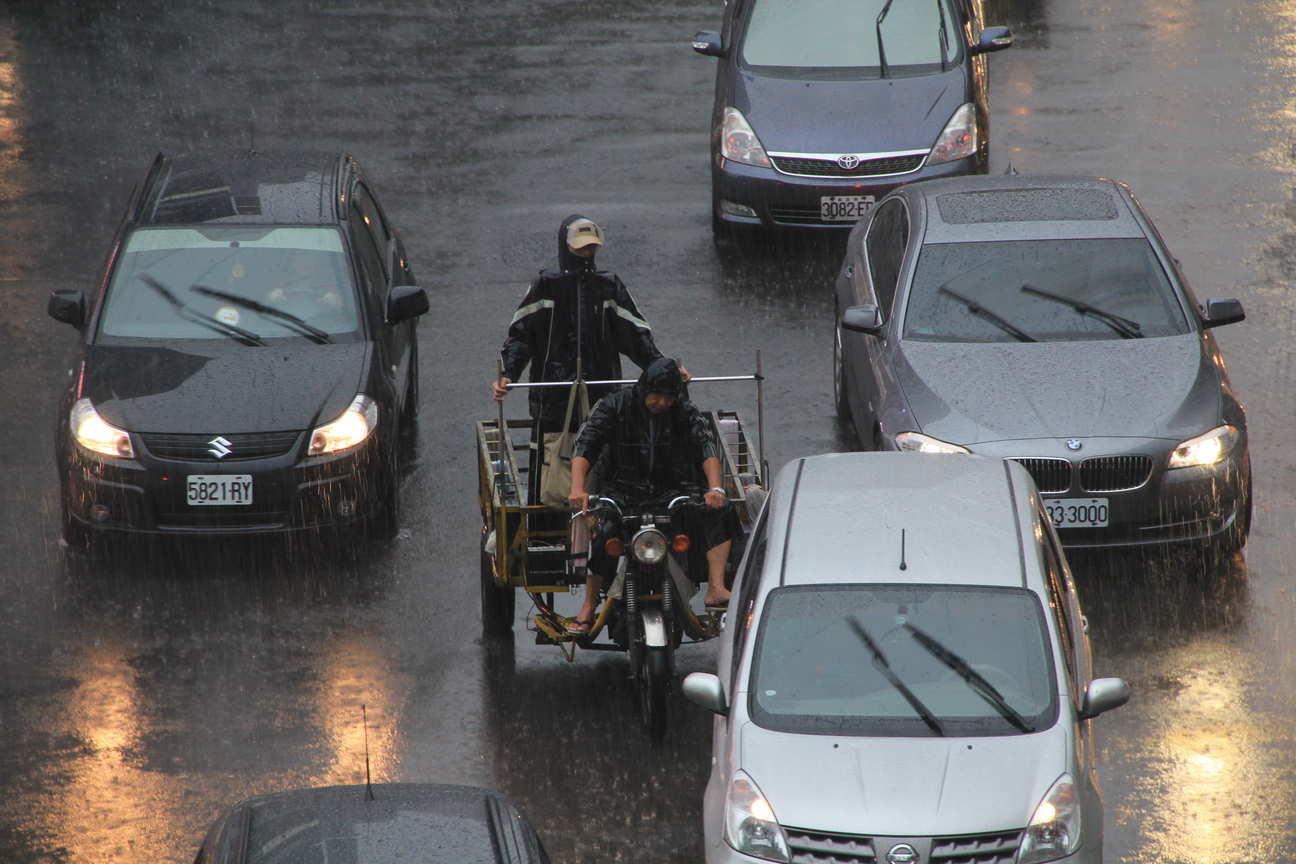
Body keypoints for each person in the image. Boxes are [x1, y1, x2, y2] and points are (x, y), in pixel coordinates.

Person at [494, 214, 687, 504]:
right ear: (565, 246)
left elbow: (636, 337)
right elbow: (521, 335)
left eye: (591, 247)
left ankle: (604, 523)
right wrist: (509, 373)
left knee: (604, 459)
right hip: (553, 399)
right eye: (581, 247)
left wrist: (664, 370)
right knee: (549, 469)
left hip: (601, 396)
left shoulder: (608, 286)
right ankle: (545, 531)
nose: (587, 253)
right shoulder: (546, 285)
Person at [565, 357, 737, 635]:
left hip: (672, 490)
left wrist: (715, 488)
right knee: (603, 532)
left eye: (669, 398)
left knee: (721, 510)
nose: (663, 403)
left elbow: (704, 444)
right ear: (644, 389)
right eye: (657, 396)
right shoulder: (614, 405)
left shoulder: (682, 409)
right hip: (621, 490)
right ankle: (588, 605)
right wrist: (577, 488)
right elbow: (586, 443)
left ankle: (715, 588)